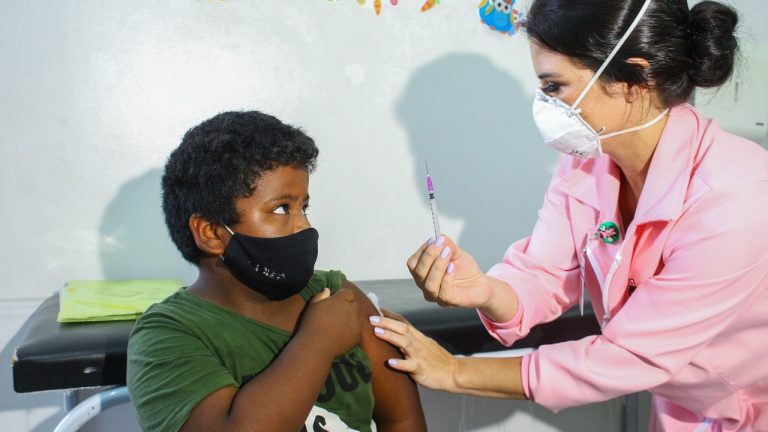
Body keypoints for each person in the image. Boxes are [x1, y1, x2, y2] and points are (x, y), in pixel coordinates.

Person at [369, 0, 768, 430]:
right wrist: (483, 290)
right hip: (686, 406)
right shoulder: (589, 160)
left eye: (554, 86)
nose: (545, 104)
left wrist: (454, 371)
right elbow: (544, 272)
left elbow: (629, 356)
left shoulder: (734, 199)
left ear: (635, 79)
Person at [127, 111, 427, 432]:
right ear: (212, 233)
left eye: (303, 207)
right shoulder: (167, 335)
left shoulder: (337, 295)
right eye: (282, 208)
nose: (304, 226)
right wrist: (319, 339)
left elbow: (402, 419)